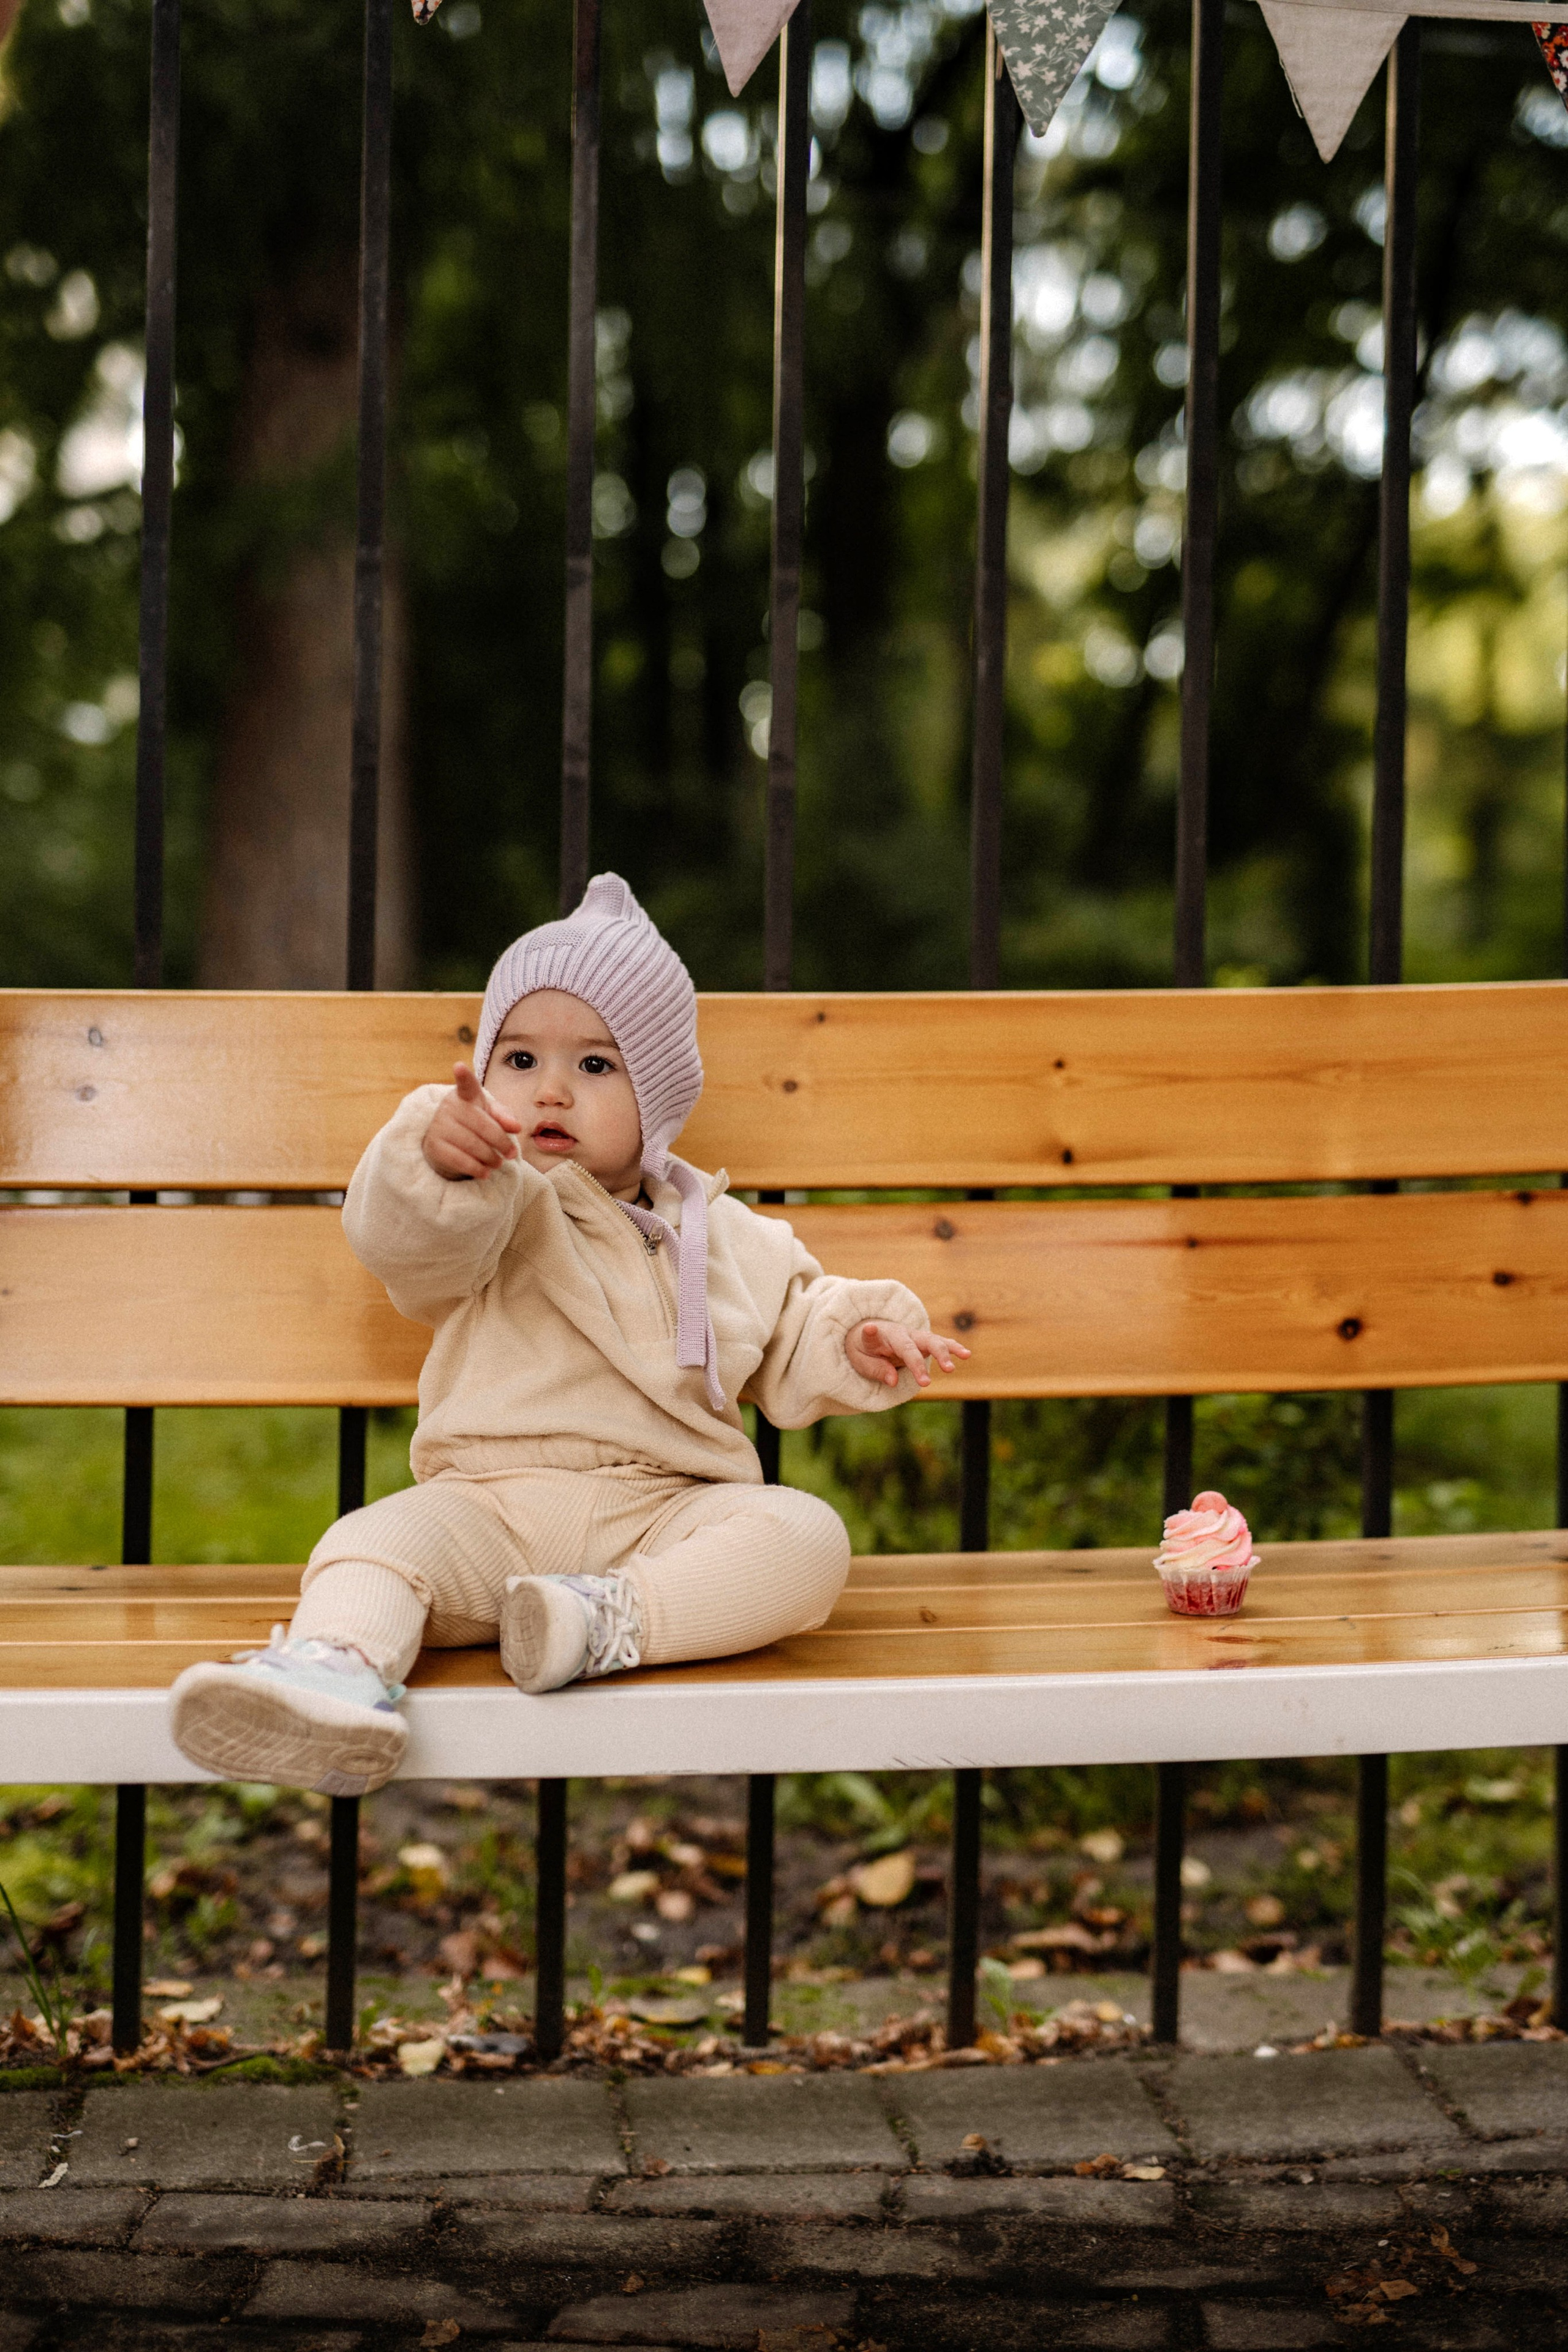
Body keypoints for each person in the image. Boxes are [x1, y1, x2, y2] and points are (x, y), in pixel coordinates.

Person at [168, 875, 968, 1795]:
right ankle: (332, 1674)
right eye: (518, 1060)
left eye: (595, 1066)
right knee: (372, 1543)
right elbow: (403, 1242)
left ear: (658, 1099)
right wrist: (432, 1158)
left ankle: (610, 1623)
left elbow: (794, 1330)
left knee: (808, 1537)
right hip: (490, 1509)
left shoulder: (725, 1234)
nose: (550, 1089)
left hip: (666, 1517)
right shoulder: (492, 1203)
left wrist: (856, 1335)